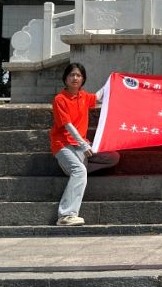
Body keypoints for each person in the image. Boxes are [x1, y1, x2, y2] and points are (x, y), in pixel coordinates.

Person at [50, 62, 120, 226]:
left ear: (83, 79)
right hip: (63, 146)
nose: (75, 78)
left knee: (113, 157)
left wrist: (112, 79)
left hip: (82, 148)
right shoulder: (60, 99)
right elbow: (67, 125)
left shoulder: (84, 97)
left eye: (78, 75)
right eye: (72, 75)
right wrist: (83, 144)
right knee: (79, 171)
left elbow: (99, 96)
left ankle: (79, 171)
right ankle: (66, 216)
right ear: (65, 78)